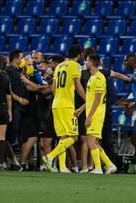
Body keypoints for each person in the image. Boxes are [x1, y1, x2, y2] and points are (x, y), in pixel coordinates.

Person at [42, 45, 86, 173]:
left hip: (56, 104)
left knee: (63, 136)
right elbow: (77, 85)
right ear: (79, 54)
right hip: (67, 105)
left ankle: (62, 167)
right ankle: (50, 157)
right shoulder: (75, 66)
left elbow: (53, 88)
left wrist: (59, 99)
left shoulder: (60, 66)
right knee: (74, 137)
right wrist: (87, 100)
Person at [75, 54, 117, 174]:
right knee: (93, 142)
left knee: (91, 142)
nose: (85, 63)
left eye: (87, 61)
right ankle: (109, 165)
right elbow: (91, 99)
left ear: (92, 63)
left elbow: (97, 99)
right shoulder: (92, 77)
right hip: (92, 113)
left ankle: (98, 168)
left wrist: (89, 116)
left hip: (96, 115)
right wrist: (82, 108)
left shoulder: (99, 78)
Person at [37, 55, 64, 171]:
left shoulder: (59, 75)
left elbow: (47, 91)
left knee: (58, 140)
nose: (49, 66)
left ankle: (56, 165)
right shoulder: (53, 75)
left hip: (59, 110)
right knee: (45, 141)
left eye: (51, 64)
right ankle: (49, 164)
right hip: (51, 111)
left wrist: (30, 83)